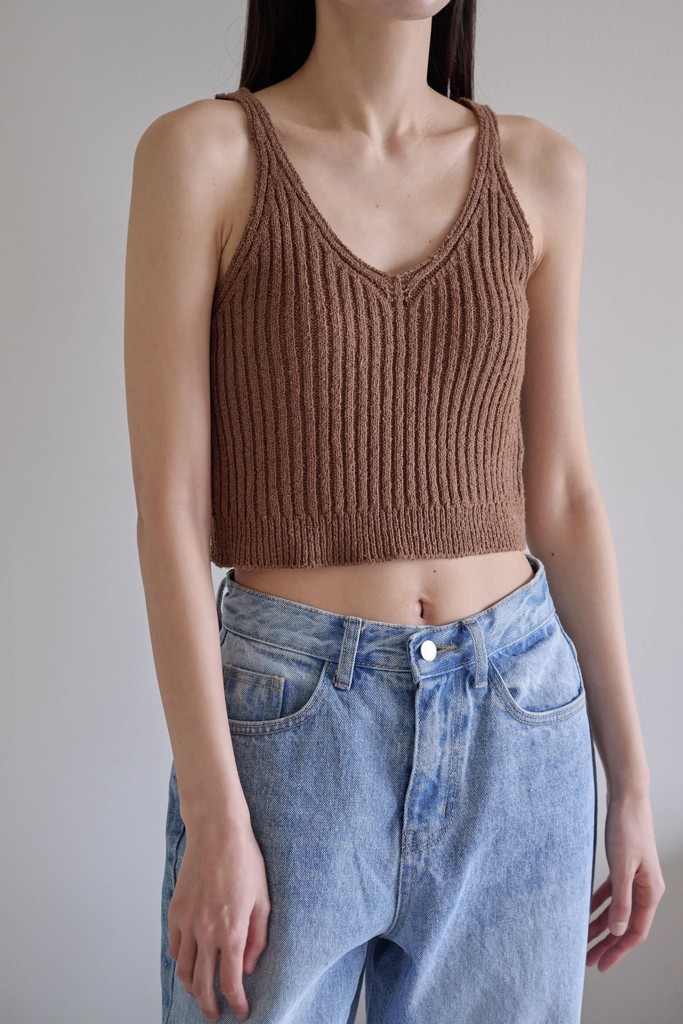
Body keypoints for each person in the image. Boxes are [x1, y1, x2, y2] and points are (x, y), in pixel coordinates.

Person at [124, 0, 665, 1020]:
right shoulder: (202, 157)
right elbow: (170, 512)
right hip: (291, 730)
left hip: (516, 716)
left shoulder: (540, 171)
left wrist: (630, 781)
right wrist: (213, 812)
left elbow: (560, 492)